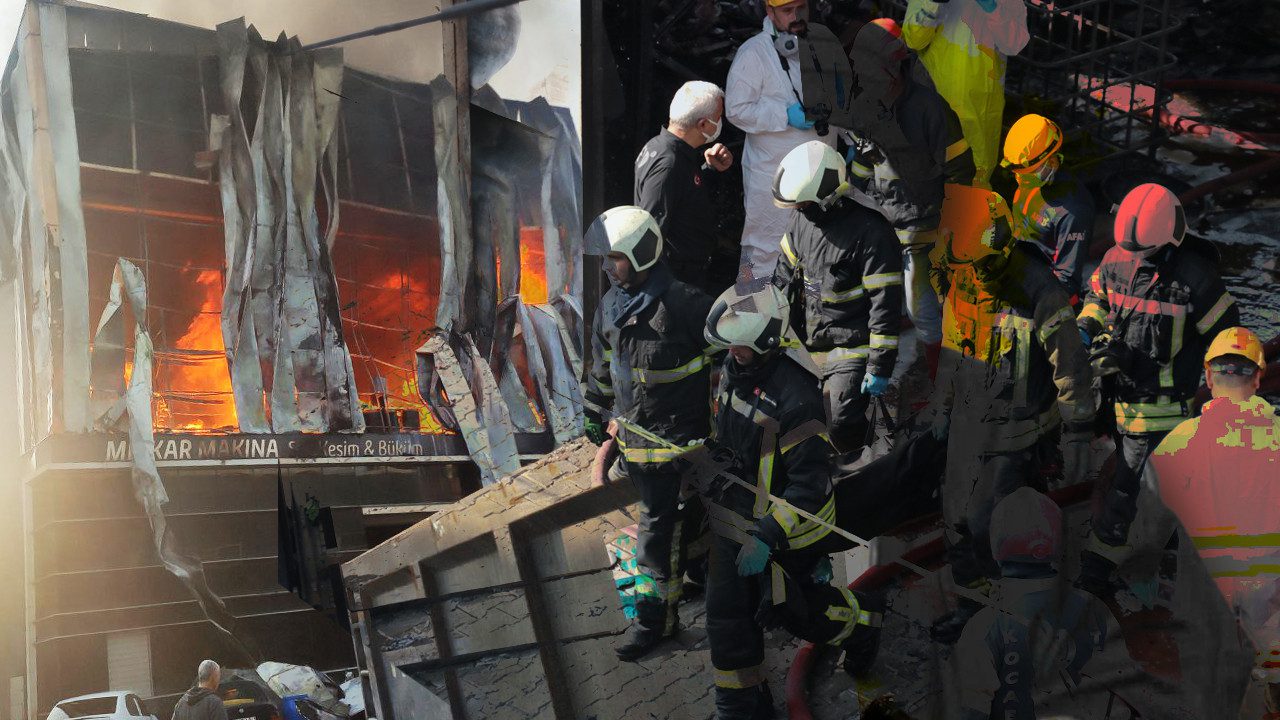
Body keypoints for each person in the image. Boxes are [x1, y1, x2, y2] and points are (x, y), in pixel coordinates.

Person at [701, 284, 881, 719]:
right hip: (738, 516)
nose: (731, 353)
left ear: (765, 342)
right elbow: (729, 438)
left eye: (740, 346)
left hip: (790, 529)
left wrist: (766, 536)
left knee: (796, 613)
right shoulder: (734, 370)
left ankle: (862, 623)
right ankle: (742, 705)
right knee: (726, 611)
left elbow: (808, 487)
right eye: (729, 345)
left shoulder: (797, 399)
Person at [928, 185, 1095, 643]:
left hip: (1017, 435)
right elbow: (952, 345)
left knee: (990, 523)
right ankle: (974, 607)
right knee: (955, 521)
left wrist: (1079, 431)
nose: (975, 275)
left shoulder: (1038, 288)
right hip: (970, 424)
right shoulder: (960, 274)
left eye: (981, 265)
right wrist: (941, 406)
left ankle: (1016, 613)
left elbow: (1070, 364)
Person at [1075, 183, 1240, 598]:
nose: (1136, 259)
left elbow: (1228, 343)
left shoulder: (1196, 280)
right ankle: (1169, 541)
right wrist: (1087, 327)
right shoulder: (1117, 257)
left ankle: (1097, 572)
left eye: (1144, 253)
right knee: (1150, 485)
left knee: (1125, 491)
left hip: (1161, 411)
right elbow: (1098, 296)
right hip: (1117, 399)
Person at [581, 206, 716, 661]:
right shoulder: (611, 305)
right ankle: (701, 573)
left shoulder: (686, 305)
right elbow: (604, 364)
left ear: (642, 254)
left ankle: (653, 623)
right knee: (677, 526)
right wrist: (594, 409)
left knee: (654, 539)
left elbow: (732, 362)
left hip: (678, 450)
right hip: (634, 446)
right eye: (606, 258)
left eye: (615, 257)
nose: (607, 266)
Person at [952, 488, 1194, 720]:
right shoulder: (1089, 607)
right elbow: (1133, 684)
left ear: (997, 549)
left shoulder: (982, 626)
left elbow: (973, 709)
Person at [1151, 327, 1280, 718]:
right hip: (1267, 604)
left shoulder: (1179, 441)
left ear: (1208, 377)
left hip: (1203, 600)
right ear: (1258, 379)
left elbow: (1147, 526)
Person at [844, 18, 974, 377]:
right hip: (885, 224)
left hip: (925, 229)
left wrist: (953, 228)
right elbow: (865, 165)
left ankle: (939, 376)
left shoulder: (930, 109)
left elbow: (960, 171)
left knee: (922, 308)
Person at [770, 141, 903, 455]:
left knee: (840, 422)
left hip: (852, 344)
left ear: (827, 196)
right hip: (809, 342)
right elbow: (782, 278)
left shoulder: (871, 232)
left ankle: (859, 464)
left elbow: (885, 304)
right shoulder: (803, 221)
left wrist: (879, 367)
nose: (798, 210)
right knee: (792, 418)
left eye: (803, 204)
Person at [725, 0, 837, 286]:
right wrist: (784, 115)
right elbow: (736, 110)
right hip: (773, 176)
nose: (797, 16)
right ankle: (750, 308)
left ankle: (809, 312)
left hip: (821, 171)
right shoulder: (754, 53)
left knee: (819, 249)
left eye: (801, 7)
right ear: (770, 12)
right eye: (787, 11)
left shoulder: (822, 46)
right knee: (762, 249)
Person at [902, 0, 1030, 187]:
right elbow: (913, 40)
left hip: (980, 110)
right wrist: (933, 5)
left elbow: (1015, 43)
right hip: (938, 104)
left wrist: (992, 8)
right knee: (927, 177)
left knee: (976, 176)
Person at [634, 80, 735, 294]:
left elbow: (681, 196)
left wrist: (709, 169)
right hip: (675, 286)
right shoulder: (668, 163)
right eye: (718, 118)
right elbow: (650, 233)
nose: (720, 123)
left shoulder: (666, 149)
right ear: (703, 125)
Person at [1002, 113, 1095, 304]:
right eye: (1018, 174)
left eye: (1027, 174)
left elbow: (1066, 280)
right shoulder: (1032, 180)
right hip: (1016, 265)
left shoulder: (1073, 210)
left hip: (1042, 288)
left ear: (1051, 161)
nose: (1020, 180)